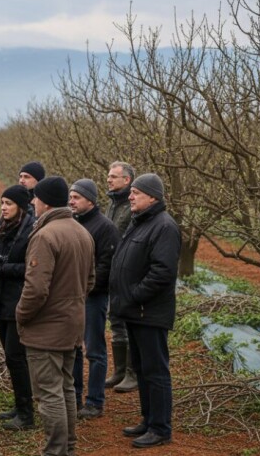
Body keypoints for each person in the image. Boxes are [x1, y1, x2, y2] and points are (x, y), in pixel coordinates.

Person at [17, 176, 95, 456]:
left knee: (49, 394)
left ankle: (55, 450)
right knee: (66, 389)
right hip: (72, 324)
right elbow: (90, 280)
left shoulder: (45, 236)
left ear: (45, 201)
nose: (33, 203)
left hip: (46, 328)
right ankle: (68, 447)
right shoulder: (82, 231)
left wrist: (21, 315)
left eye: (35, 198)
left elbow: (36, 288)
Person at [110, 173, 180, 448]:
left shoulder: (164, 227)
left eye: (136, 192)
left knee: (156, 371)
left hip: (148, 312)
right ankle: (148, 419)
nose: (130, 196)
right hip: (135, 311)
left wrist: (134, 295)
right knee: (141, 368)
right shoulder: (141, 222)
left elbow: (162, 272)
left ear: (153, 196)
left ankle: (161, 428)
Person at [68, 179, 120, 420]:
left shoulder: (104, 227)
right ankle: (76, 397)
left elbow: (105, 269)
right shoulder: (72, 223)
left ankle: (95, 401)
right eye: (70, 196)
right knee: (74, 347)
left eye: (77, 197)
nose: (72, 201)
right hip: (74, 297)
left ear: (90, 199)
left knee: (95, 350)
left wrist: (84, 288)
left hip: (93, 298)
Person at [0, 185, 36, 431]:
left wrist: (3, 267)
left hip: (18, 302)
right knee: (10, 357)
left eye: (9, 203)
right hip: (3, 300)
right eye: (2, 202)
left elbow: (31, 268)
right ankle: (20, 406)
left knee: (17, 358)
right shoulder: (5, 228)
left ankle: (27, 414)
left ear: (21, 206)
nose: (4, 207)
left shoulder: (30, 231)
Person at [105, 161, 138, 393]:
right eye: (109, 175)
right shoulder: (113, 203)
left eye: (114, 176)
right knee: (115, 318)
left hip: (127, 270)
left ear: (126, 180)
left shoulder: (132, 204)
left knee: (127, 321)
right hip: (112, 269)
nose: (109, 179)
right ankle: (119, 370)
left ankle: (132, 372)